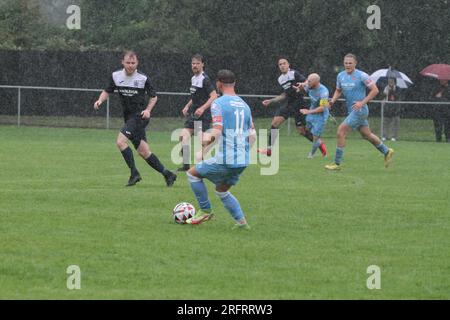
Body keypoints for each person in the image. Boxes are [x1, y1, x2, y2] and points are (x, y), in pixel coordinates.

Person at [94, 50, 177, 186]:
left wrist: (148, 110)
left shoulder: (142, 78)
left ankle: (134, 173)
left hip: (139, 117)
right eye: (128, 62)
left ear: (137, 63)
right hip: (128, 118)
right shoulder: (116, 76)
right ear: (123, 62)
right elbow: (107, 91)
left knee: (121, 142)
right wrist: (99, 101)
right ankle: (168, 174)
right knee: (144, 152)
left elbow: (154, 96)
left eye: (133, 63)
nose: (131, 65)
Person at [185, 69, 254, 229]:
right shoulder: (245, 105)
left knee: (192, 175)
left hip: (226, 159)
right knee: (222, 191)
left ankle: (205, 210)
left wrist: (205, 139)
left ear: (218, 84)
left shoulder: (218, 103)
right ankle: (242, 223)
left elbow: (217, 129)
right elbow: (253, 135)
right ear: (234, 83)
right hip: (243, 160)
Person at [325, 54, 394, 171]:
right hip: (352, 110)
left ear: (355, 63)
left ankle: (337, 163)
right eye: (346, 63)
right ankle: (387, 151)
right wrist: (332, 100)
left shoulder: (362, 75)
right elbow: (338, 90)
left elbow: (375, 90)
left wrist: (362, 102)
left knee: (340, 131)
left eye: (350, 63)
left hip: (360, 110)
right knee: (367, 135)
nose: (347, 65)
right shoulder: (340, 76)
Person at [257, 57, 327, 157]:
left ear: (288, 65)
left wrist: (302, 86)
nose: (282, 66)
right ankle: (269, 150)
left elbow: (308, 81)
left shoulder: (294, 73)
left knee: (302, 131)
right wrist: (271, 101)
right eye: (280, 64)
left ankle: (319, 143)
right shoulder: (280, 79)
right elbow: (284, 95)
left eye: (284, 63)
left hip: (299, 104)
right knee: (275, 123)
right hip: (289, 104)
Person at [178, 54, 218, 171]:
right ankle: (186, 166)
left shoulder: (205, 79)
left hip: (203, 115)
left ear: (202, 64)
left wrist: (202, 108)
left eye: (197, 63)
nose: (195, 65)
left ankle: (216, 138)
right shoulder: (193, 78)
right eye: (193, 63)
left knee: (203, 141)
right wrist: (187, 106)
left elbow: (214, 96)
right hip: (194, 114)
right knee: (183, 136)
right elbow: (195, 96)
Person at [294, 73, 330, 158]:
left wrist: (308, 112)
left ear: (316, 82)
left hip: (321, 116)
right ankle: (319, 143)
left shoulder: (324, 92)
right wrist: (300, 88)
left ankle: (312, 154)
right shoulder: (310, 86)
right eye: (307, 80)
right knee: (306, 131)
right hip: (312, 114)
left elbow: (322, 108)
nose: (307, 82)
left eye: (309, 81)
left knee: (315, 137)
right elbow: (304, 88)